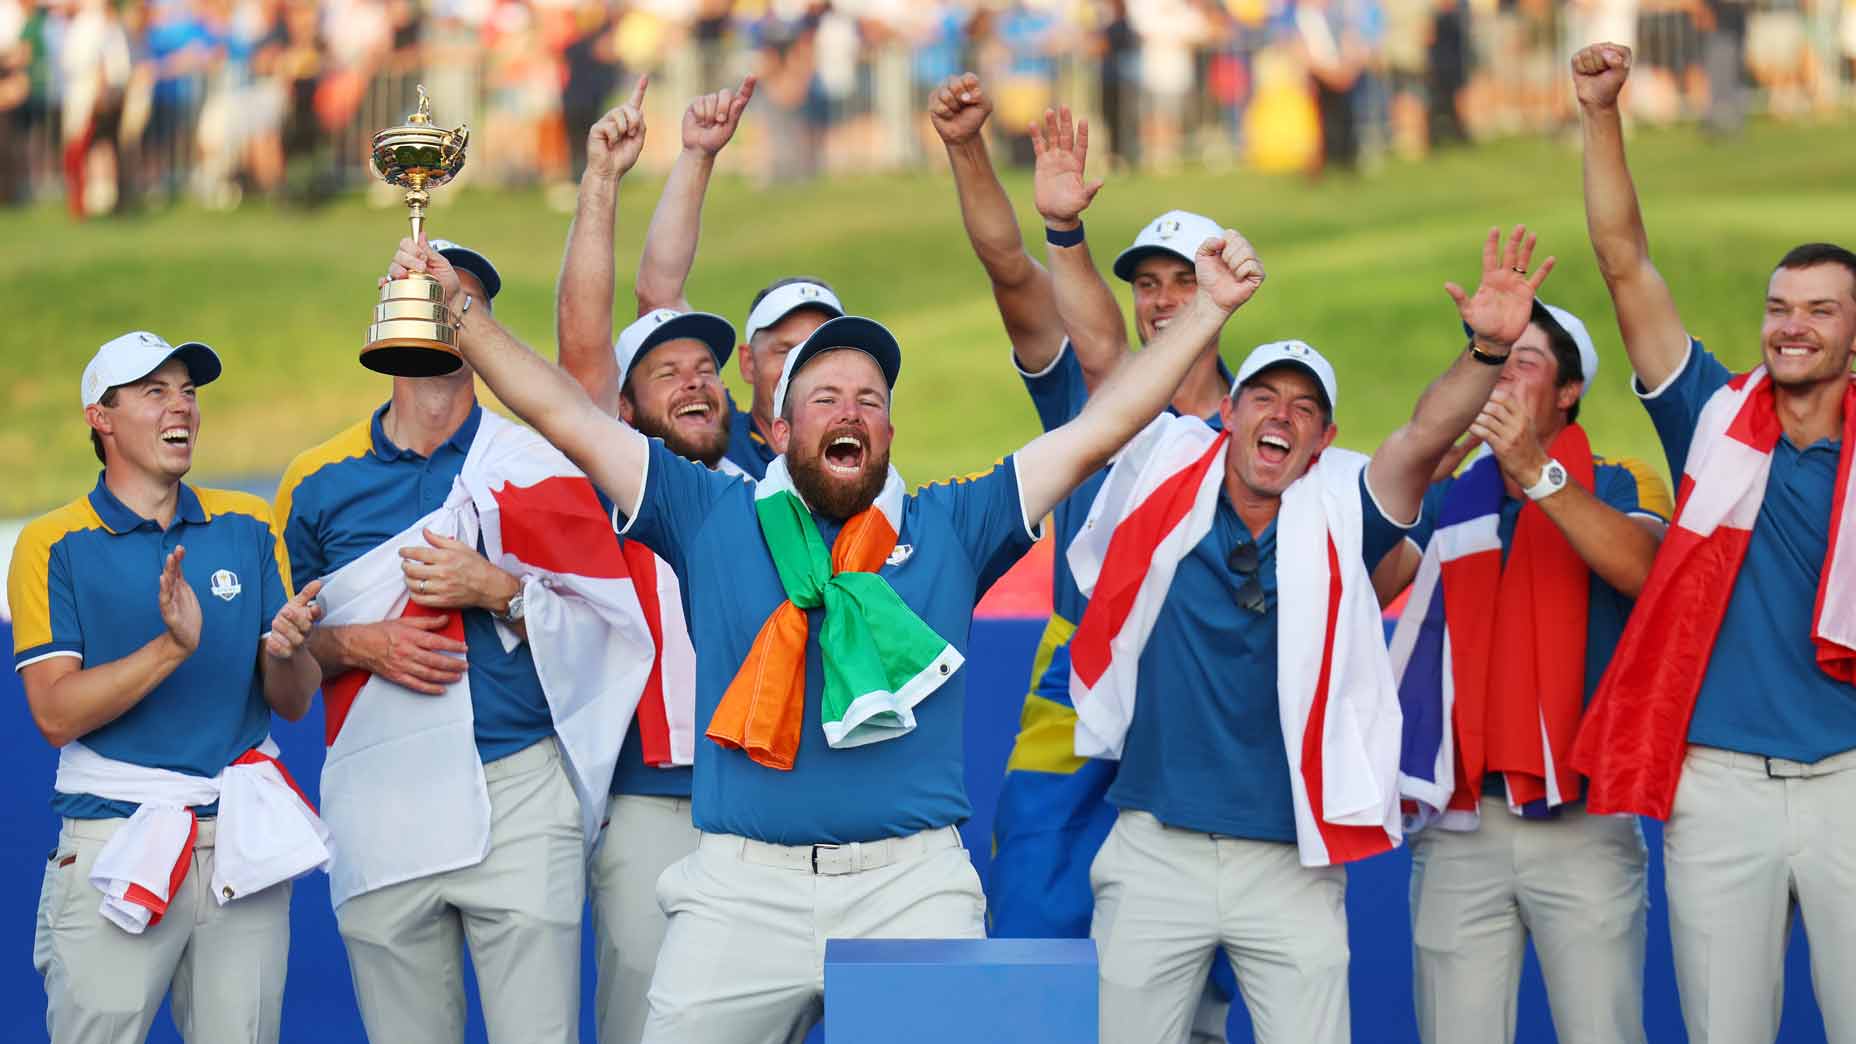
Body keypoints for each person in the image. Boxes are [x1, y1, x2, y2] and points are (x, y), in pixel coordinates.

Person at [387, 197, 1269, 1041]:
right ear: (773, 428)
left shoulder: (952, 524)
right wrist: (459, 319)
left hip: (911, 885)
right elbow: (563, 414)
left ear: (888, 431)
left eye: (871, 398)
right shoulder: (707, 513)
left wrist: (1208, 316)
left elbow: (1104, 424)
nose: (851, 410)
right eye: (825, 396)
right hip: (740, 885)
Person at [1077, 226, 1556, 1044]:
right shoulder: (1161, 469)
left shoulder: (1343, 503)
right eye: (1265, 396)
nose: (1282, 416)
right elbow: (1098, 359)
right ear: (1227, 411)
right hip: (1156, 846)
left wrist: (1485, 351)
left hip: (1290, 865)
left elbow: (1422, 438)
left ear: (1326, 440)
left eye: (1305, 408)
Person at [926, 73, 1237, 1039]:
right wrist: (976, 155)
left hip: (1205, 690)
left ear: (1227, 290)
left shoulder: (1268, 427)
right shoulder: (1088, 403)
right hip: (1075, 670)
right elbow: (1006, 269)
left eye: (1182, 283)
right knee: (1033, 910)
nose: (1161, 303)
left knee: (1204, 956)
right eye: (1148, 284)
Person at [1568, 40, 1856, 1043]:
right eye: (1778, 309)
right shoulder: (1711, 417)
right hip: (1719, 785)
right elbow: (1622, 263)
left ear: (1851, 334)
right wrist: (1600, 115)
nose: (1790, 328)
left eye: (1818, 312)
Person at [276, 241, 632, 1044]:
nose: (445, 317)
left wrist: (495, 589)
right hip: (381, 794)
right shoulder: (314, 482)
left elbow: (605, 628)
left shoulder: (541, 462)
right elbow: (288, 667)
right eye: (427, 296)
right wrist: (357, 644)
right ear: (390, 311)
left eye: (463, 303)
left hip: (518, 789)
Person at [11, 330, 326, 1044]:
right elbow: (55, 715)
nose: (180, 405)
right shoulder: (53, 543)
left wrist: (290, 647)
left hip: (240, 845)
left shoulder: (246, 523)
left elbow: (293, 698)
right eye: (154, 391)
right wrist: (172, 648)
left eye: (188, 390)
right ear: (101, 416)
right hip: (112, 845)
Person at [1379, 299, 1670, 1044]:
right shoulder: (1452, 495)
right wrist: (1419, 473)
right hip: (1462, 818)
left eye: (1525, 365)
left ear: (1570, 391)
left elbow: (1645, 571)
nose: (1502, 383)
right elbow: (1373, 586)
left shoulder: (1619, 480)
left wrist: (1538, 477)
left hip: (1583, 823)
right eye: (1494, 368)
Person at [554, 80, 762, 1044]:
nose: (694, 379)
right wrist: (602, 178)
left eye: (706, 367)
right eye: (665, 373)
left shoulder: (772, 468)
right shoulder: (626, 474)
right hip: (648, 796)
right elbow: (592, 337)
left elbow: (661, 299)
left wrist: (702, 156)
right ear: (626, 411)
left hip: (768, 794)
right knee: (641, 1015)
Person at [619, 75, 847, 480]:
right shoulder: (714, 437)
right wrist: (697, 155)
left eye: (819, 352)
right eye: (784, 350)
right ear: (747, 363)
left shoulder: (862, 458)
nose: (801, 365)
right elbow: (659, 294)